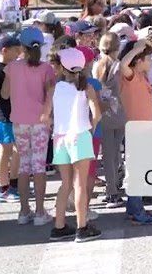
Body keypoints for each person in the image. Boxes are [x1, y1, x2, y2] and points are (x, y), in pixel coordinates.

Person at [46, 47, 102, 243]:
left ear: (62, 67)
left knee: (65, 184)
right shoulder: (87, 88)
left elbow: (45, 116)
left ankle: (59, 226)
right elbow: (97, 114)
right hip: (80, 135)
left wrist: (54, 125)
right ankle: (82, 227)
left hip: (60, 137)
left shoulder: (54, 88)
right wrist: (91, 128)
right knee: (80, 184)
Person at [3, 27, 56, 226]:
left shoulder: (12, 67)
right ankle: (40, 212)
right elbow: (51, 93)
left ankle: (24, 211)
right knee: (39, 166)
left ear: (21, 47)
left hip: (19, 120)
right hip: (40, 121)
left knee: (24, 165)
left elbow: (5, 94)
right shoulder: (46, 69)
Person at [118, 38, 152, 225]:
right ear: (138, 61)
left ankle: (134, 207)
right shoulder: (131, 75)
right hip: (137, 132)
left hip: (146, 131)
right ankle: (136, 211)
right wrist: (137, 49)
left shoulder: (142, 76)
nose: (151, 62)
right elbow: (123, 64)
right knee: (137, 170)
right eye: (148, 58)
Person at [93, 33, 126, 208]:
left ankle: (111, 191)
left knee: (107, 155)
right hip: (119, 111)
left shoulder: (98, 65)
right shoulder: (119, 66)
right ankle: (115, 186)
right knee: (115, 153)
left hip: (104, 112)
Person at [0, 35, 22, 203]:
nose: (19, 53)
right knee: (5, 151)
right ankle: (3, 188)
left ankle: (14, 184)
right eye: (16, 50)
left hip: (14, 116)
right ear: (5, 51)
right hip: (2, 118)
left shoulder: (12, 68)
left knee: (17, 150)